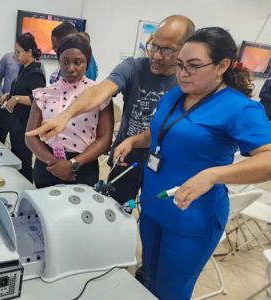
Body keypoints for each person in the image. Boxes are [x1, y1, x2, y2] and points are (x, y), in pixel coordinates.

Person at [113, 27, 271, 299]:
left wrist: (212, 175)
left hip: (192, 219)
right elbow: (161, 131)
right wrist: (134, 141)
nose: (183, 73)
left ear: (222, 65)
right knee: (149, 276)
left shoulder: (239, 108)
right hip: (153, 205)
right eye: (181, 65)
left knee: (170, 290)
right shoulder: (176, 94)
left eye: (194, 66)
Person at [27, 15, 195, 205]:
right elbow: (102, 90)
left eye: (167, 50)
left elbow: (166, 129)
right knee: (114, 210)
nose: (156, 55)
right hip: (125, 160)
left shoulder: (187, 83)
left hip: (163, 165)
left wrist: (74, 163)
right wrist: (66, 115)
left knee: (154, 213)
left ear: (185, 49)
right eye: (154, 46)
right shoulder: (133, 67)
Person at [26, 33, 113, 188]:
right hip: (48, 165)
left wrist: (72, 164)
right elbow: (30, 137)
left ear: (87, 62)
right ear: (58, 61)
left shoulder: (99, 94)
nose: (70, 68)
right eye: (65, 62)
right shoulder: (44, 93)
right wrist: (56, 165)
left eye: (78, 62)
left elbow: (105, 139)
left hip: (83, 166)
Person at [0, 33, 46, 182]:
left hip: (26, 124)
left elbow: (38, 99)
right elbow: (22, 90)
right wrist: (9, 95)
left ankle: (27, 191)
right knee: (16, 156)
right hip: (16, 122)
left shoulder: (36, 73)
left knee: (24, 161)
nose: (15, 56)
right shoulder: (24, 69)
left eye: (18, 52)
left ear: (29, 52)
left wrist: (17, 98)